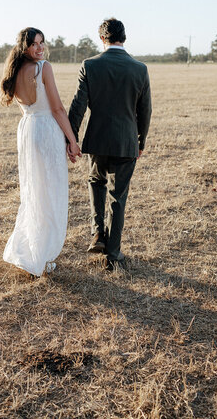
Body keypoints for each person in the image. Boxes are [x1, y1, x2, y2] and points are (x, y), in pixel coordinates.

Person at [68, 18, 152, 271]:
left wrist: (71, 138)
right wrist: (141, 141)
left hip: (98, 139)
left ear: (101, 38)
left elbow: (78, 105)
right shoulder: (140, 69)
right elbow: (145, 110)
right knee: (119, 196)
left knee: (96, 182)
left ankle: (97, 234)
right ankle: (113, 254)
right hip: (127, 141)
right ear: (124, 37)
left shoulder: (90, 65)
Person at [0, 27, 81, 277]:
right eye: (34, 44)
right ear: (24, 46)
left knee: (34, 190)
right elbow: (57, 109)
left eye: (42, 43)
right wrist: (73, 140)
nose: (40, 47)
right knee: (49, 193)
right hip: (45, 131)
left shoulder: (15, 70)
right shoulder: (43, 67)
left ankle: (31, 250)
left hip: (27, 129)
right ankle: (41, 255)